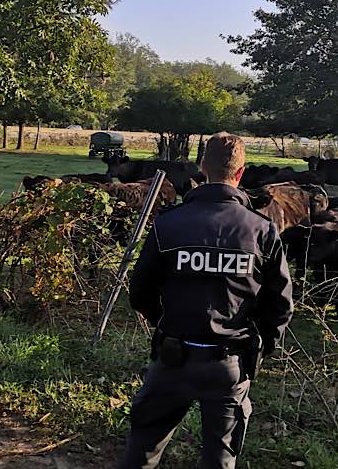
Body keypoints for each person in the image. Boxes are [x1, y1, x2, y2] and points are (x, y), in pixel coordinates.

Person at [120, 132, 294, 468]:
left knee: (142, 451)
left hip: (172, 358)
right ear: (240, 173)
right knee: (219, 459)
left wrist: (166, 323)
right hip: (229, 363)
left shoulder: (168, 224)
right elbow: (281, 305)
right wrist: (258, 347)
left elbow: (140, 291)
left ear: (202, 167)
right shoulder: (261, 230)